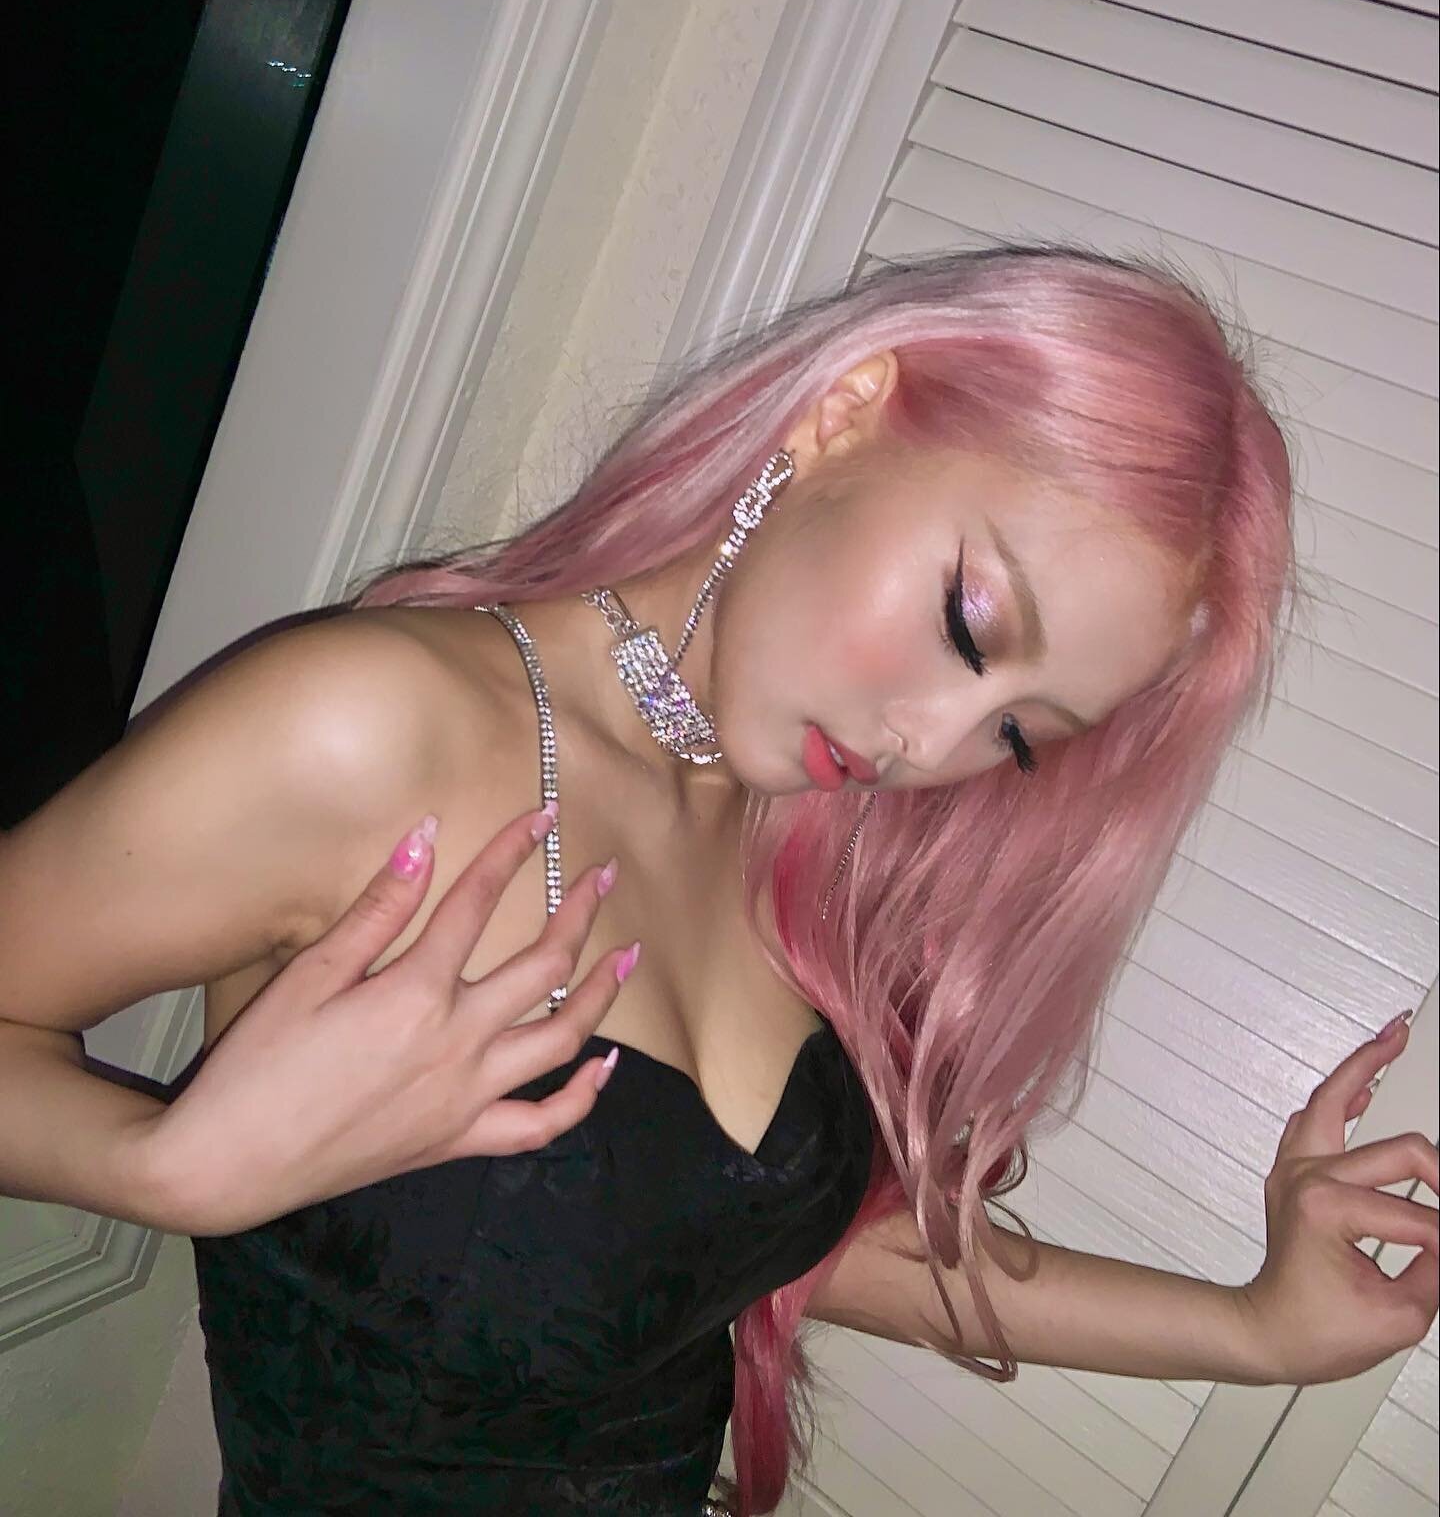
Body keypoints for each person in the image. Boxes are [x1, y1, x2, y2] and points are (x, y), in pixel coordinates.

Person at [0, 245, 1434, 1517]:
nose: (924, 742)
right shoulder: (366, 730)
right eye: (967, 621)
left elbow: (767, 1246)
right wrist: (157, 1165)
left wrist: (1253, 1332)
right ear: (841, 414)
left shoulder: (787, 838)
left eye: (1015, 734)